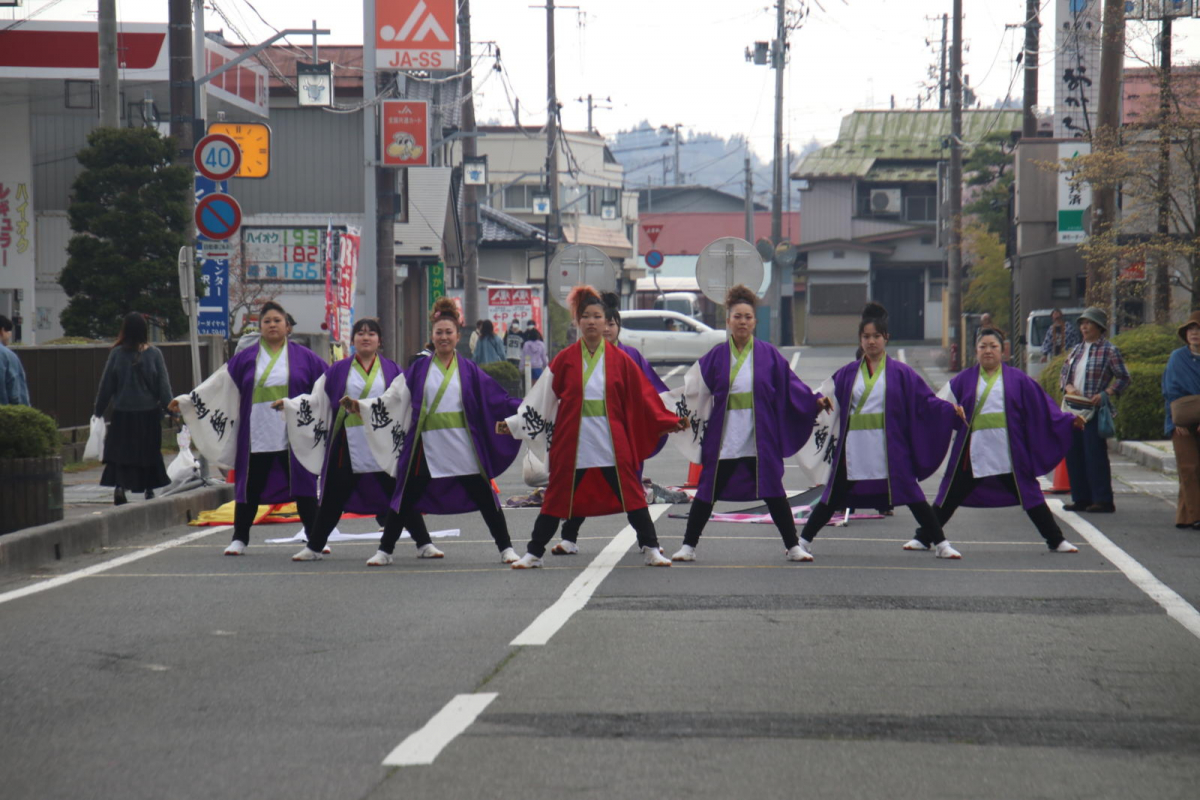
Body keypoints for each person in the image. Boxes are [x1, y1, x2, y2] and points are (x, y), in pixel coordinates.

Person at [498, 285, 688, 569]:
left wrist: (669, 420)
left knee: (633, 495)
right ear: (578, 321)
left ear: (606, 322)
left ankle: (651, 548)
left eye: (597, 316)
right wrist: (514, 424)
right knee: (556, 497)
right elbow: (541, 398)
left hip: (612, 440)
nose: (591, 321)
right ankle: (534, 553)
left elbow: (644, 398)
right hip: (573, 442)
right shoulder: (564, 360)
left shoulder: (621, 360)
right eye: (586, 316)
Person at [352, 297, 524, 565]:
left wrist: (527, 408)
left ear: (457, 336)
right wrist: (362, 407)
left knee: (486, 498)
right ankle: (385, 551)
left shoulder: (469, 370)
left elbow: (497, 399)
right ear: (431, 336)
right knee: (404, 497)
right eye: (438, 333)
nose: (443, 337)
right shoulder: (418, 369)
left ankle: (506, 548)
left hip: (462, 445)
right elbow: (391, 399)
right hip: (426, 445)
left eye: (448, 332)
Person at [798, 302, 964, 560]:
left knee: (913, 495)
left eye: (876, 336)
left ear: (886, 338)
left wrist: (949, 411)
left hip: (889, 446)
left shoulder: (902, 373)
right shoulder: (848, 373)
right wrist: (817, 402)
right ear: (860, 340)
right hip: (853, 447)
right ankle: (802, 541)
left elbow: (925, 402)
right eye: (866, 336)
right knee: (832, 496)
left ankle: (941, 544)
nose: (871, 341)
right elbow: (823, 392)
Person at [670, 285, 822, 563]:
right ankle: (688, 546)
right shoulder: (716, 356)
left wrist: (815, 401)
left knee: (774, 492)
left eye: (748, 317)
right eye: (737, 316)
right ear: (728, 321)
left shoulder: (769, 355)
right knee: (707, 492)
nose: (742, 322)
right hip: (724, 437)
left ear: (755, 321)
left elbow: (792, 387)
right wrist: (673, 416)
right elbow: (692, 391)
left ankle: (793, 546)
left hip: (759, 436)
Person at [171, 302, 327, 555]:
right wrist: (187, 401)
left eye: (277, 320)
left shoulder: (306, 358)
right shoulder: (245, 358)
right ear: (260, 327)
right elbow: (217, 385)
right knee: (249, 488)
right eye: (267, 321)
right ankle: (239, 539)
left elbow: (327, 385)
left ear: (287, 326)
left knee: (304, 487)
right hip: (256, 433)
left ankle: (316, 539)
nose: (272, 325)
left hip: (293, 434)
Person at [912, 328, 1083, 554]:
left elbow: (1043, 409)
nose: (988, 351)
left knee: (1030, 496)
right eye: (983, 346)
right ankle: (923, 537)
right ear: (976, 351)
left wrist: (1068, 421)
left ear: (1003, 351)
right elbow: (939, 405)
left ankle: (1056, 540)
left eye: (993, 346)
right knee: (949, 496)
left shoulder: (1018, 380)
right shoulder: (964, 380)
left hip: (1009, 451)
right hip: (972, 451)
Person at [554, 292, 674, 555]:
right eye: (597, 320)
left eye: (610, 322)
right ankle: (569, 537)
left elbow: (652, 393)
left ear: (617, 326)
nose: (604, 327)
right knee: (577, 485)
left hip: (620, 436)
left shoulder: (628, 356)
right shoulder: (576, 356)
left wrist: (666, 417)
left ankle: (647, 542)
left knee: (628, 490)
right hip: (585, 435)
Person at [285, 318, 412, 561]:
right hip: (347, 443)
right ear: (352, 340)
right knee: (333, 497)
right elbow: (316, 400)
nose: (366, 337)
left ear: (379, 340)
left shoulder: (392, 370)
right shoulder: (338, 370)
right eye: (361, 333)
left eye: (371, 333)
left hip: (381, 442)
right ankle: (314, 547)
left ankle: (423, 543)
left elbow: (401, 401)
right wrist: (290, 405)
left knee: (399, 495)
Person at [92, 312, 174, 504]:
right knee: (148, 452)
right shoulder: (154, 354)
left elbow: (106, 386)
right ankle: (148, 488)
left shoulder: (117, 354)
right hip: (148, 414)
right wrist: (171, 408)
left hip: (122, 414)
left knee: (121, 453)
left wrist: (98, 410)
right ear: (144, 331)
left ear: (124, 330)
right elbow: (163, 386)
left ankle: (120, 486)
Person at [1059, 307, 1130, 514]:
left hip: (1094, 410)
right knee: (1074, 454)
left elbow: (1124, 378)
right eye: (1082, 323)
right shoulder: (1076, 350)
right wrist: (1069, 387)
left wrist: (1107, 392)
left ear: (1099, 327)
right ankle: (1081, 498)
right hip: (1073, 410)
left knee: (1095, 455)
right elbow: (1063, 375)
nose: (1084, 327)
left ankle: (1103, 500)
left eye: (1088, 323)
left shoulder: (1109, 350)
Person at [1161, 310, 1200, 528]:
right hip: (1180, 419)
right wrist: (1176, 421)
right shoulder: (1178, 358)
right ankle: (1196, 516)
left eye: (1198, 329)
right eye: (1191, 329)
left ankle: (1185, 516)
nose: (1195, 333)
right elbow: (1169, 390)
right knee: (1189, 467)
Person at [0, 314, 29, 406]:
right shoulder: (7, 356)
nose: (10, 334)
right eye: (8, 331)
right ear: (2, 330)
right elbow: (15, 394)